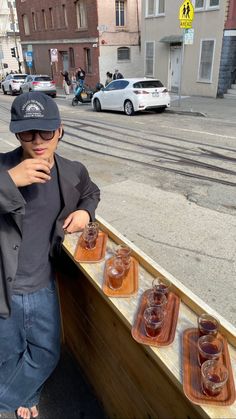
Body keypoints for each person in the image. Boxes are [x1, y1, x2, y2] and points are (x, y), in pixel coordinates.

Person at [0, 92, 100, 419]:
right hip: (4, 286)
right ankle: (24, 396)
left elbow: (91, 192)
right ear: (17, 133)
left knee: (46, 352)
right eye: (29, 133)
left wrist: (86, 212)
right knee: (8, 353)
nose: (38, 141)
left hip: (43, 283)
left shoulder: (72, 171)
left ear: (60, 130)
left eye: (46, 132)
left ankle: (10, 398)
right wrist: (8, 182)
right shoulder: (3, 168)